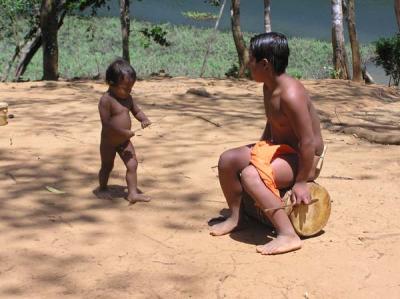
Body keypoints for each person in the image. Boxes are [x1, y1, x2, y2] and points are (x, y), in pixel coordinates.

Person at [209, 32, 325, 255]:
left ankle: (287, 234)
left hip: (304, 158)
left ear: (265, 64)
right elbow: (273, 122)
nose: (247, 63)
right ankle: (236, 217)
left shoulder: (291, 94)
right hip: (279, 149)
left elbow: (308, 141)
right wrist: (260, 148)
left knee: (251, 175)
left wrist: (301, 181)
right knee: (228, 160)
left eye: (251, 59)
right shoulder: (268, 86)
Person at [98, 58, 152, 203]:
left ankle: (132, 193)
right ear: (111, 83)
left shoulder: (128, 98)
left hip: (124, 141)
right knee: (107, 166)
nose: (128, 91)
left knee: (133, 164)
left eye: (131, 88)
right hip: (109, 142)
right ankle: (102, 188)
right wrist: (123, 132)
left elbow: (136, 111)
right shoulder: (106, 100)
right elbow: (107, 124)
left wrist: (144, 119)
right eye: (125, 88)